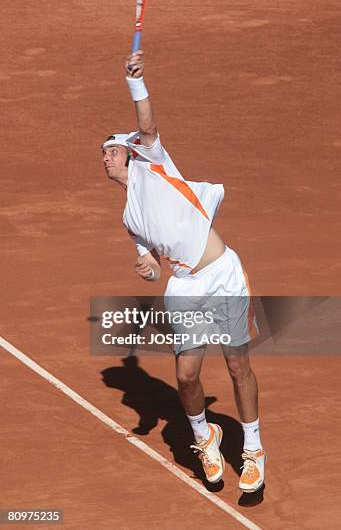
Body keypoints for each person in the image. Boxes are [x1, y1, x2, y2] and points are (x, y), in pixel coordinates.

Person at [101, 49, 265, 492]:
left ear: (131, 155)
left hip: (223, 276)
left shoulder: (155, 165)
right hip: (186, 286)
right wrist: (148, 268)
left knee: (236, 365)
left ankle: (252, 449)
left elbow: (148, 125)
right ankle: (203, 437)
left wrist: (137, 82)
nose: (106, 157)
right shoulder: (130, 218)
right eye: (105, 154)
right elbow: (154, 268)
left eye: (113, 150)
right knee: (187, 375)